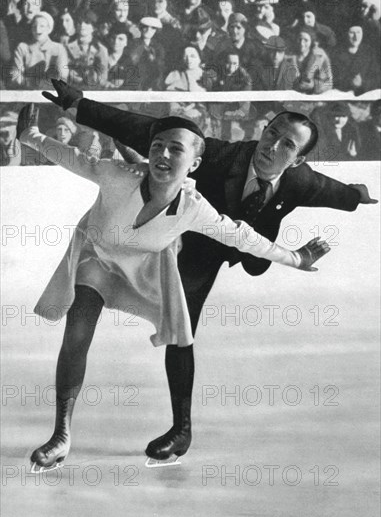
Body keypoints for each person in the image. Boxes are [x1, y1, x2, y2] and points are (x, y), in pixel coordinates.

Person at [41, 79, 377, 462]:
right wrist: (79, 107)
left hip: (249, 248)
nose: (272, 147)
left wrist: (356, 196)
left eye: (287, 145)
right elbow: (141, 127)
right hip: (197, 245)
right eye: (271, 134)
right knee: (181, 330)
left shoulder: (301, 180)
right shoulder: (219, 154)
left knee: (240, 268)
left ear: (298, 159)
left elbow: (333, 191)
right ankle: (181, 430)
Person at [9, 12, 69, 88]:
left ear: (49, 28)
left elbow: (63, 77)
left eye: (42, 26)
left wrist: (44, 85)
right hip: (27, 92)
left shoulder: (58, 48)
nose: (37, 29)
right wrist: (29, 83)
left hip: (51, 92)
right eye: (34, 26)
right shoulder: (23, 48)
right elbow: (15, 75)